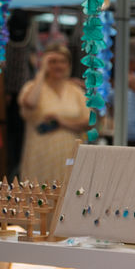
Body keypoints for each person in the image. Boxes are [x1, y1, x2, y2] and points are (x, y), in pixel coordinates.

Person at [17, 43, 90, 184]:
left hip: (70, 155)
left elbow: (89, 122)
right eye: (52, 62)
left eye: (63, 62)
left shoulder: (75, 90)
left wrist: (62, 122)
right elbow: (30, 102)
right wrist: (42, 71)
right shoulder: (32, 87)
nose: (58, 66)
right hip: (40, 157)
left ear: (68, 65)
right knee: (40, 198)